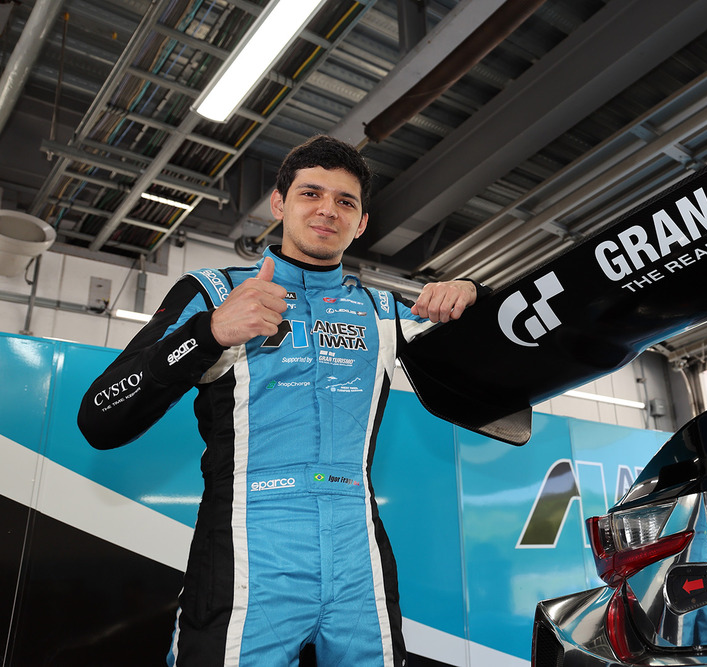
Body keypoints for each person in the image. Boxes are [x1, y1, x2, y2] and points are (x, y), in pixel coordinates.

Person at [77, 135, 484, 666]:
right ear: (278, 203)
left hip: (357, 546)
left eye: (345, 201)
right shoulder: (213, 291)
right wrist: (208, 333)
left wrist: (474, 294)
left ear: (361, 223)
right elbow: (99, 417)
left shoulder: (385, 310)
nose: (327, 210)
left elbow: (502, 369)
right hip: (247, 543)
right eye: (310, 193)